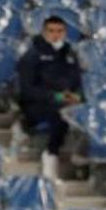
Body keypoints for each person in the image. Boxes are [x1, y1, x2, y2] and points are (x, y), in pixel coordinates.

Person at [16, 15, 83, 181]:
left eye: (60, 31)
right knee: (60, 114)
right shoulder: (32, 56)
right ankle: (50, 156)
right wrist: (55, 97)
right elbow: (26, 90)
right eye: (51, 31)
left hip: (66, 101)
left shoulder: (70, 55)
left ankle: (86, 163)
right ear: (44, 32)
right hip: (37, 105)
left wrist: (77, 96)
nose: (56, 35)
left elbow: (77, 81)